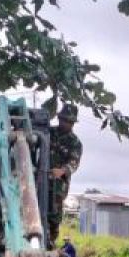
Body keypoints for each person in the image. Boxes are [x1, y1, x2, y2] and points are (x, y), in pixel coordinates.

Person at [47, 104, 83, 247]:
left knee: (54, 215)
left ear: (73, 123)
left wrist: (62, 170)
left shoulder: (75, 143)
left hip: (58, 185)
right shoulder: (48, 132)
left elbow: (73, 163)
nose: (64, 123)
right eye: (62, 119)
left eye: (68, 121)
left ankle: (51, 241)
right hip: (39, 179)